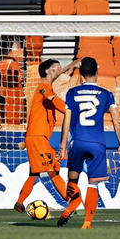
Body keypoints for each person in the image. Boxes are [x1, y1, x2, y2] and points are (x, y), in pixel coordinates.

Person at [56, 57, 120, 229]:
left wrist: (63, 146)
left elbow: (66, 120)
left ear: (80, 74)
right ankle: (87, 222)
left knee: (72, 179)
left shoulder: (71, 93)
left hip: (78, 142)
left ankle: (72, 205)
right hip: (97, 143)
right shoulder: (106, 93)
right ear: (97, 72)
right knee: (93, 183)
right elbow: (116, 119)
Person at [14, 58, 81, 214]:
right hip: (38, 138)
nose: (59, 70)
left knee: (35, 173)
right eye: (57, 67)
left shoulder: (46, 89)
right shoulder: (43, 89)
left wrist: (71, 66)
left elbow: (57, 80)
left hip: (34, 137)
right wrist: (71, 109)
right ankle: (71, 202)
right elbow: (59, 104)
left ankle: (20, 202)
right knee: (52, 171)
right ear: (48, 71)